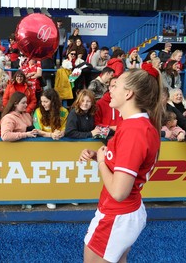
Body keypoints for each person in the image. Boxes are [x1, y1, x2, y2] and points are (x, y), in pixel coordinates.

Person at [80, 67, 162, 263]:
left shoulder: (134, 130)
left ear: (128, 93)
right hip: (123, 214)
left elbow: (118, 191)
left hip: (117, 214)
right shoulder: (134, 124)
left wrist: (100, 161)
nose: (110, 90)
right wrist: (100, 156)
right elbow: (123, 161)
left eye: (115, 85)